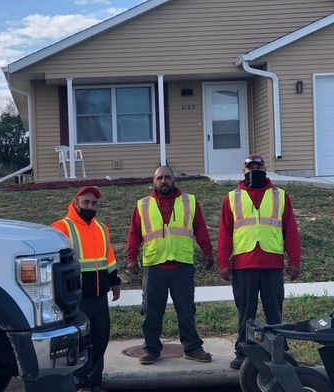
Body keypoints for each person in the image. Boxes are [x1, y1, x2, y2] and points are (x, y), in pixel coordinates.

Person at [218, 154, 302, 370]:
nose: (254, 169)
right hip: (244, 265)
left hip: (272, 264)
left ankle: (279, 349)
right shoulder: (232, 198)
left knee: (274, 310)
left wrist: (295, 260)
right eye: (250, 167)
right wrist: (223, 264)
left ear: (265, 168)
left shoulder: (281, 196)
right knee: (246, 312)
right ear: (244, 171)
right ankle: (244, 350)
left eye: (258, 166)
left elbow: (291, 231)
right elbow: (225, 234)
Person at [127, 166, 214, 365]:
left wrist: (207, 252)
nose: (163, 181)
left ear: (174, 180)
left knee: (186, 310)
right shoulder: (143, 205)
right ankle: (150, 350)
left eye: (167, 177)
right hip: (154, 266)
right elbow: (134, 233)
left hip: (182, 266)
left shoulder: (189, 202)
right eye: (159, 178)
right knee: (151, 312)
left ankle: (192, 348)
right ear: (154, 181)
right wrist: (131, 258)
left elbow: (200, 228)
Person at [52, 186, 121, 392]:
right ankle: (81, 383)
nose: (90, 207)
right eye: (86, 203)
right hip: (77, 297)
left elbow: (108, 257)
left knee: (101, 337)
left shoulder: (102, 228)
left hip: (100, 294)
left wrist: (115, 281)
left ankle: (95, 381)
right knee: (81, 340)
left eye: (94, 203)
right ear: (76, 202)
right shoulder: (61, 228)